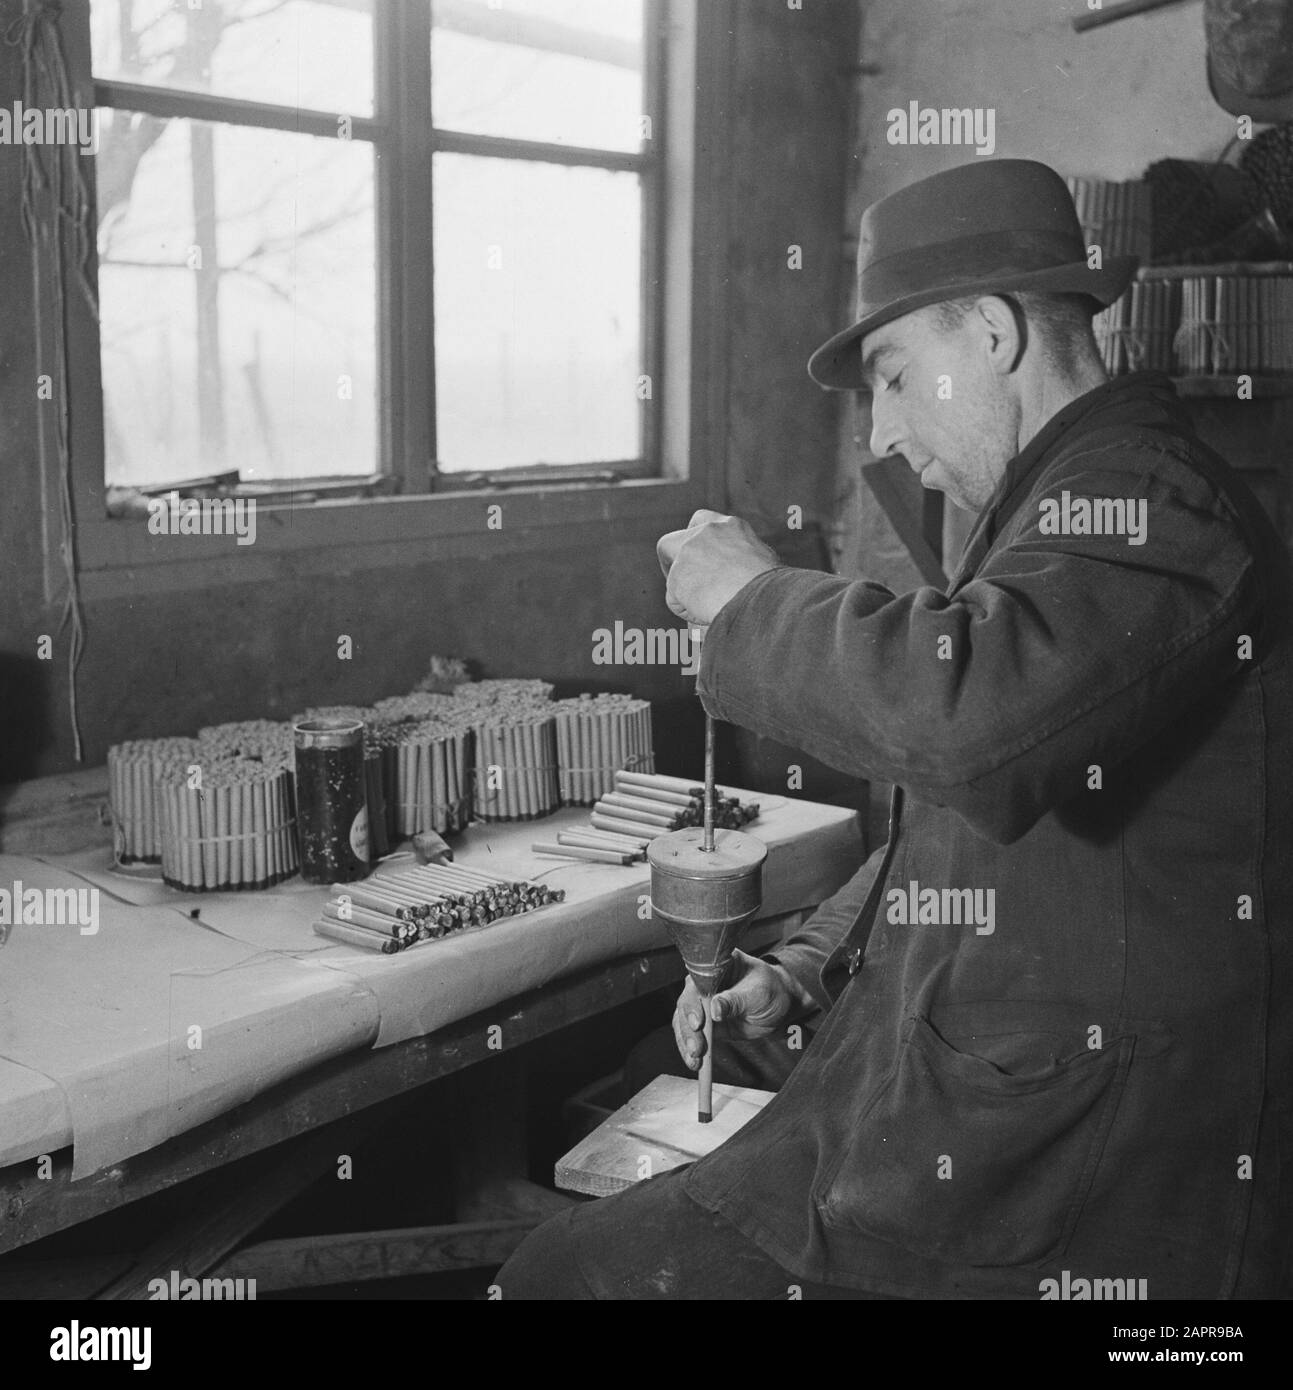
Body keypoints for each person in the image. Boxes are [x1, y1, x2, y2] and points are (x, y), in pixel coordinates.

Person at [497, 158, 1293, 1300]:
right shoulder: (1053, 510)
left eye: (896, 375)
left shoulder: (1153, 503)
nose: (884, 429)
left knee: (574, 1280)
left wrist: (752, 598)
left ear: (993, 332)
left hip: (1094, 1170)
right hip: (1010, 1109)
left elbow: (967, 723)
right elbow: (959, 828)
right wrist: (810, 970)